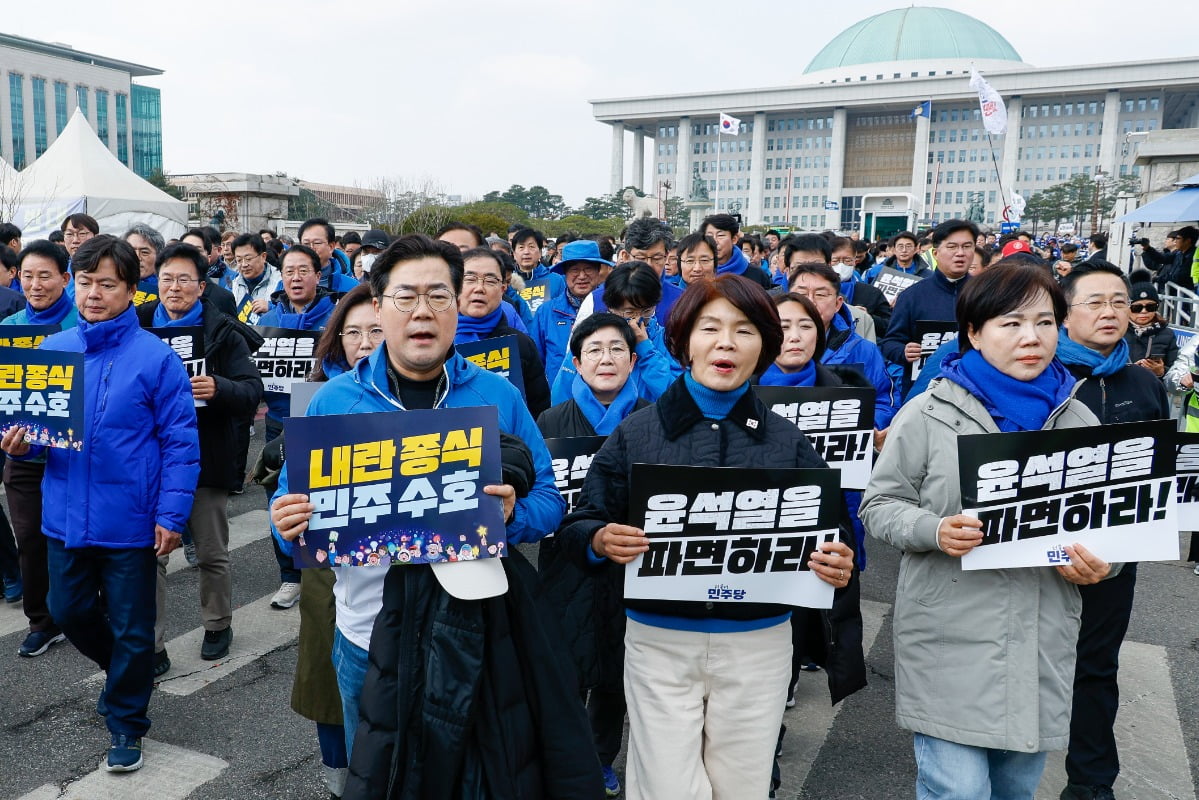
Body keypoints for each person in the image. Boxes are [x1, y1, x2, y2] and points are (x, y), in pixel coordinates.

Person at [269, 234, 600, 798]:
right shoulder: (334, 400)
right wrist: (287, 519)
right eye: (406, 297)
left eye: (438, 296)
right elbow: (289, 506)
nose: (423, 311)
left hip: (472, 629)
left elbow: (550, 503)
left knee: (472, 775)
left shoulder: (496, 394)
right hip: (364, 630)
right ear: (377, 306)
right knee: (376, 774)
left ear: (456, 303)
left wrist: (513, 513)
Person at [556, 275, 860, 800]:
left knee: (742, 786)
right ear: (683, 340)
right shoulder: (637, 431)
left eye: (744, 331)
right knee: (666, 788)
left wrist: (838, 559)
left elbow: (834, 529)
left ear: (762, 346)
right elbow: (578, 522)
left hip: (759, 642)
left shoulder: (788, 439)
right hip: (658, 641)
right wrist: (600, 538)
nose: (726, 343)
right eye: (710, 327)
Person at [860, 262, 1112, 800]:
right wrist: (933, 529)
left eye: (1045, 323)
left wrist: (1098, 562)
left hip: (1042, 635)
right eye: (1011, 323)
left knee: (1015, 789)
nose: (1031, 337)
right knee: (958, 790)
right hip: (948, 636)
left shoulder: (1079, 421)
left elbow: (1103, 524)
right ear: (973, 332)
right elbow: (879, 503)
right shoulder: (928, 412)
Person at [1, 235, 199, 773]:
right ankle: (126, 675)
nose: (93, 293)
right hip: (64, 515)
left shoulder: (156, 359)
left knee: (135, 628)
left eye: (107, 284)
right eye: (85, 282)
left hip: (133, 520)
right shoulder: (55, 351)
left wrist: (171, 515)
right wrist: (24, 443)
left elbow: (181, 443)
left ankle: (127, 724)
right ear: (73, 282)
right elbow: (42, 435)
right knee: (67, 611)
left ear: (132, 290)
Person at [1055, 261, 1170, 800]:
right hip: (1035, 554)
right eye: (1095, 302)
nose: (1110, 312)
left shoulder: (1145, 383)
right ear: (1065, 312)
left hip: (1114, 558)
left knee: (1097, 667)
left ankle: (1091, 781)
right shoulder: (1036, 370)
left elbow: (1162, 473)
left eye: (1120, 302)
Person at [261, 283, 380, 798]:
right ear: (336, 340)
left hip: (410, 565)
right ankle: (340, 779)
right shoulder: (320, 399)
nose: (364, 341)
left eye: (375, 329)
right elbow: (287, 491)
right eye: (352, 332)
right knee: (328, 678)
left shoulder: (434, 401)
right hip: (330, 570)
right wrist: (282, 521)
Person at [536, 312, 653, 797]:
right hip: (565, 560)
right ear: (577, 364)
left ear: (632, 359)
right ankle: (565, 755)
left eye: (616, 349)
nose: (606, 359)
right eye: (594, 351)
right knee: (565, 663)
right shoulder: (551, 420)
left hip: (635, 561)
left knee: (615, 666)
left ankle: (601, 757)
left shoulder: (655, 416)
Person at [136, 242, 263, 672]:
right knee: (151, 554)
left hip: (205, 456)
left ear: (201, 285)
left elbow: (251, 391)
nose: (175, 288)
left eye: (184, 279)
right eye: (167, 278)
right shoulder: (136, 325)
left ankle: (217, 623)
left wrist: (219, 387)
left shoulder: (222, 330)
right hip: (148, 459)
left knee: (211, 551)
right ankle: (151, 642)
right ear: (156, 282)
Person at [1, 240, 78, 657]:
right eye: (27, 275)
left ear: (65, 279)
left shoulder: (81, 322)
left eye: (45, 275)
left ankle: (84, 607)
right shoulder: (10, 328)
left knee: (76, 537)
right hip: (23, 452)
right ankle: (42, 620)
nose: (35, 284)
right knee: (29, 536)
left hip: (74, 454)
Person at [257, 244, 336, 610]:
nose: (295, 277)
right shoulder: (267, 323)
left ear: (318, 276)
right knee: (282, 500)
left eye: (303, 270)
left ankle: (329, 568)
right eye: (288, 271)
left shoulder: (335, 319)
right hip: (279, 424)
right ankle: (289, 576)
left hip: (325, 423)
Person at [788, 262, 897, 435]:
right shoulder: (765, 346)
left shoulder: (863, 350)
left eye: (821, 294)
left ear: (838, 303)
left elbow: (883, 400)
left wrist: (869, 427)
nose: (810, 301)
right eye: (801, 293)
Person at [551, 261, 682, 404]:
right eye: (629, 312)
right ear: (611, 307)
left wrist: (646, 349)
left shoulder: (668, 340)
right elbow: (562, 394)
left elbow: (677, 397)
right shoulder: (588, 338)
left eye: (647, 310)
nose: (637, 320)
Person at [880, 219, 979, 398]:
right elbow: (890, 342)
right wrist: (903, 351)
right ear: (935, 253)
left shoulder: (987, 293)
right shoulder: (912, 295)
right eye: (952, 247)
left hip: (976, 387)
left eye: (967, 246)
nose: (960, 253)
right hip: (923, 390)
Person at [455, 246, 551, 415]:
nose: (479, 288)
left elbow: (539, 411)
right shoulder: (436, 344)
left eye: (490, 281)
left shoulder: (520, 345)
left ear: (503, 289)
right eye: (469, 279)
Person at [531, 239, 609, 386]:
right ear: (565, 273)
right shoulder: (546, 312)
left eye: (588, 269)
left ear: (598, 271)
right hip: (560, 400)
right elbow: (536, 364)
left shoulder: (612, 308)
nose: (581, 276)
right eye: (574, 270)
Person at [700, 213, 774, 290]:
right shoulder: (697, 273)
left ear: (734, 239)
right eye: (709, 236)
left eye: (720, 235)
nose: (715, 241)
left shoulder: (756, 275)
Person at [1121, 283, 1177, 378]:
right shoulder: (1116, 331)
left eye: (1150, 307)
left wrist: (1161, 371)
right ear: (1127, 307)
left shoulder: (1168, 334)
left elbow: (1176, 371)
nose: (1144, 311)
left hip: (1153, 390)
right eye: (1136, 308)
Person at [229, 232, 282, 325]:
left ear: (263, 257)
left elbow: (294, 310)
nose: (244, 264)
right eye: (239, 260)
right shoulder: (232, 283)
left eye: (248, 259)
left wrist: (271, 307)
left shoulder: (280, 281)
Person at [298, 218, 359, 293]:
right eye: (306, 244)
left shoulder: (352, 287)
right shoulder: (287, 284)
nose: (311, 248)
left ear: (331, 246)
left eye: (317, 243)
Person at [862, 231, 931, 284]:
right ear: (894, 250)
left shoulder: (928, 276)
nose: (904, 250)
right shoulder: (876, 271)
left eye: (908, 246)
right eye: (900, 246)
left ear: (916, 249)